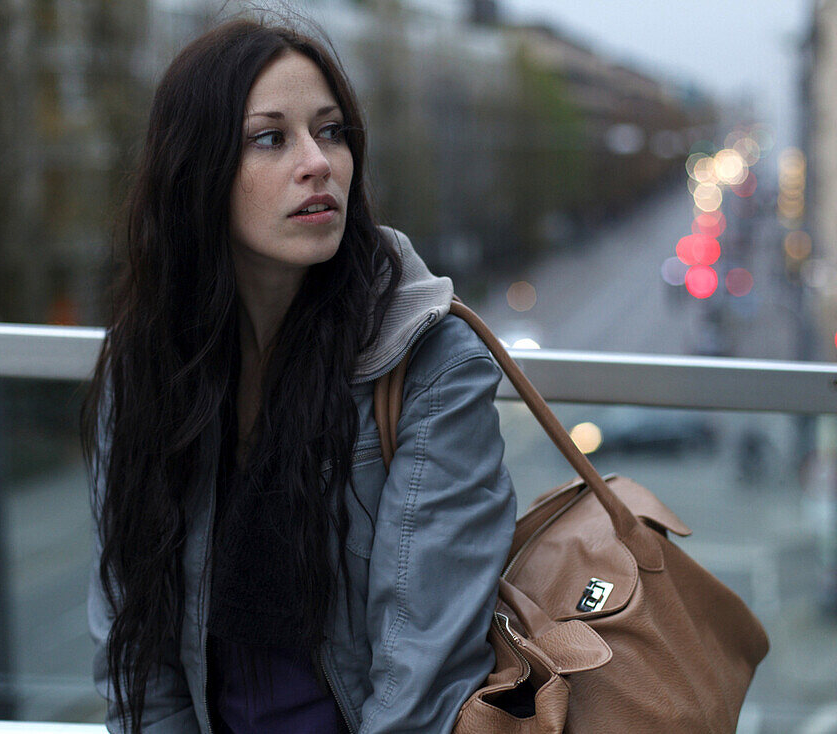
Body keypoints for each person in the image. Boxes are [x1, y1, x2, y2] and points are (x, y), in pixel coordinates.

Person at [81, 18, 517, 734]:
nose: (318, 163)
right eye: (270, 138)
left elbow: (424, 687)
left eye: (333, 131)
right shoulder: (149, 367)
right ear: (198, 171)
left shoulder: (431, 364)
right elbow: (134, 655)